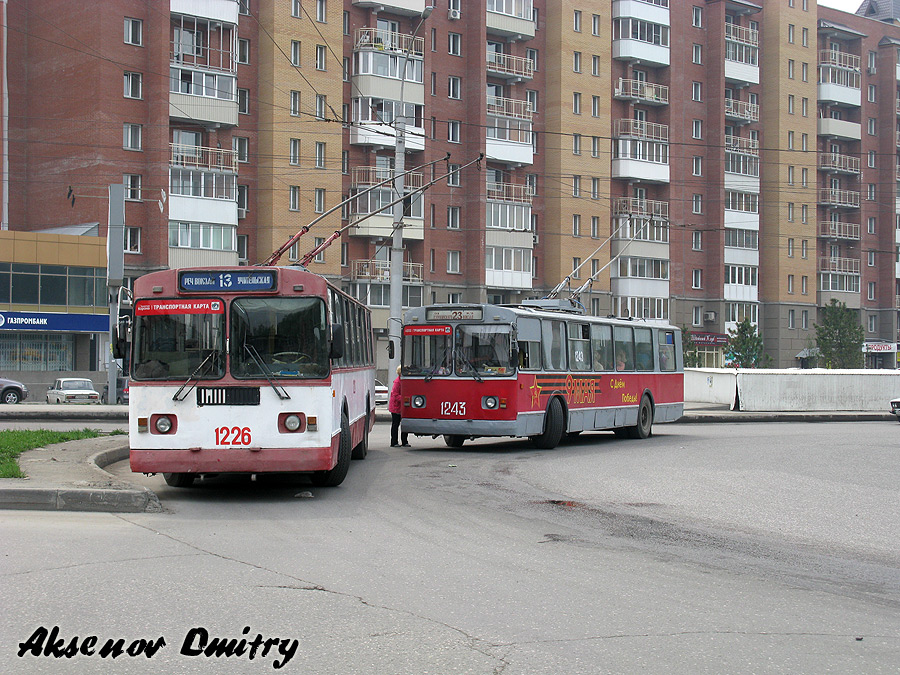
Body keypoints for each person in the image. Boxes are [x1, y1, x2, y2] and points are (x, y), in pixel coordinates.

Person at [388, 366, 409, 447]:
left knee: (404, 424)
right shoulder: (397, 382)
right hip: (396, 407)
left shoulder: (403, 381)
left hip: (401, 406)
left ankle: (404, 441)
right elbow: (395, 395)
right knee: (395, 424)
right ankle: (394, 442)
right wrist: (404, 399)